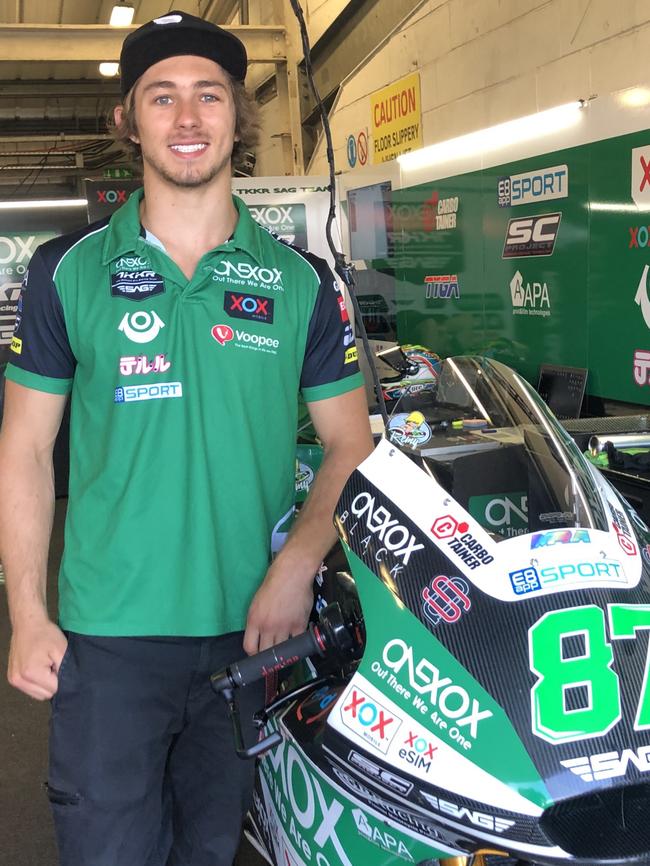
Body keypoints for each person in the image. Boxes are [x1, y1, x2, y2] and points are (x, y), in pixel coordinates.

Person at [0, 11, 373, 866]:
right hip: (109, 641)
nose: (188, 117)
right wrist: (27, 612)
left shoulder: (301, 282)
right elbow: (22, 450)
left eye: (209, 95)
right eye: (161, 97)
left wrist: (297, 565)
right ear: (128, 119)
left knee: (214, 851)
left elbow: (351, 446)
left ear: (238, 117)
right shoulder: (68, 269)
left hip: (254, 632)